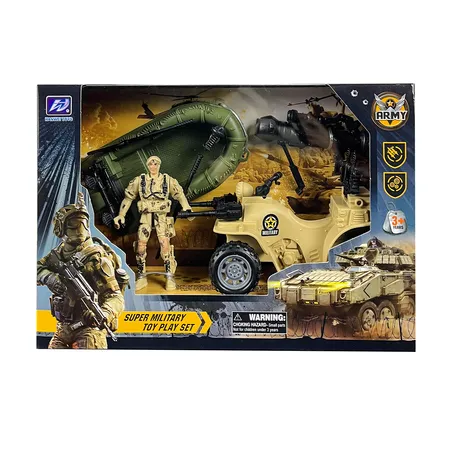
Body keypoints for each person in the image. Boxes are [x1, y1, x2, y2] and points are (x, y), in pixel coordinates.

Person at [37, 193, 127, 349]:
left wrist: (104, 314)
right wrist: (49, 278)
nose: (80, 229)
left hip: (89, 331)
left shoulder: (96, 258)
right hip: (63, 329)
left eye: (83, 224)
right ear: (61, 228)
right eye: (74, 224)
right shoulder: (58, 254)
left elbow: (116, 297)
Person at [113, 155, 192, 291]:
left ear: (159, 165)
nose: (153, 167)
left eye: (156, 164)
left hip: (162, 217)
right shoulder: (140, 180)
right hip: (145, 217)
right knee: (140, 246)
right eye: (151, 164)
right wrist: (121, 215)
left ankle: (169, 276)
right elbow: (128, 198)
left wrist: (186, 207)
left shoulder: (167, 180)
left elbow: (179, 194)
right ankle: (142, 276)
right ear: (147, 165)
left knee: (165, 245)